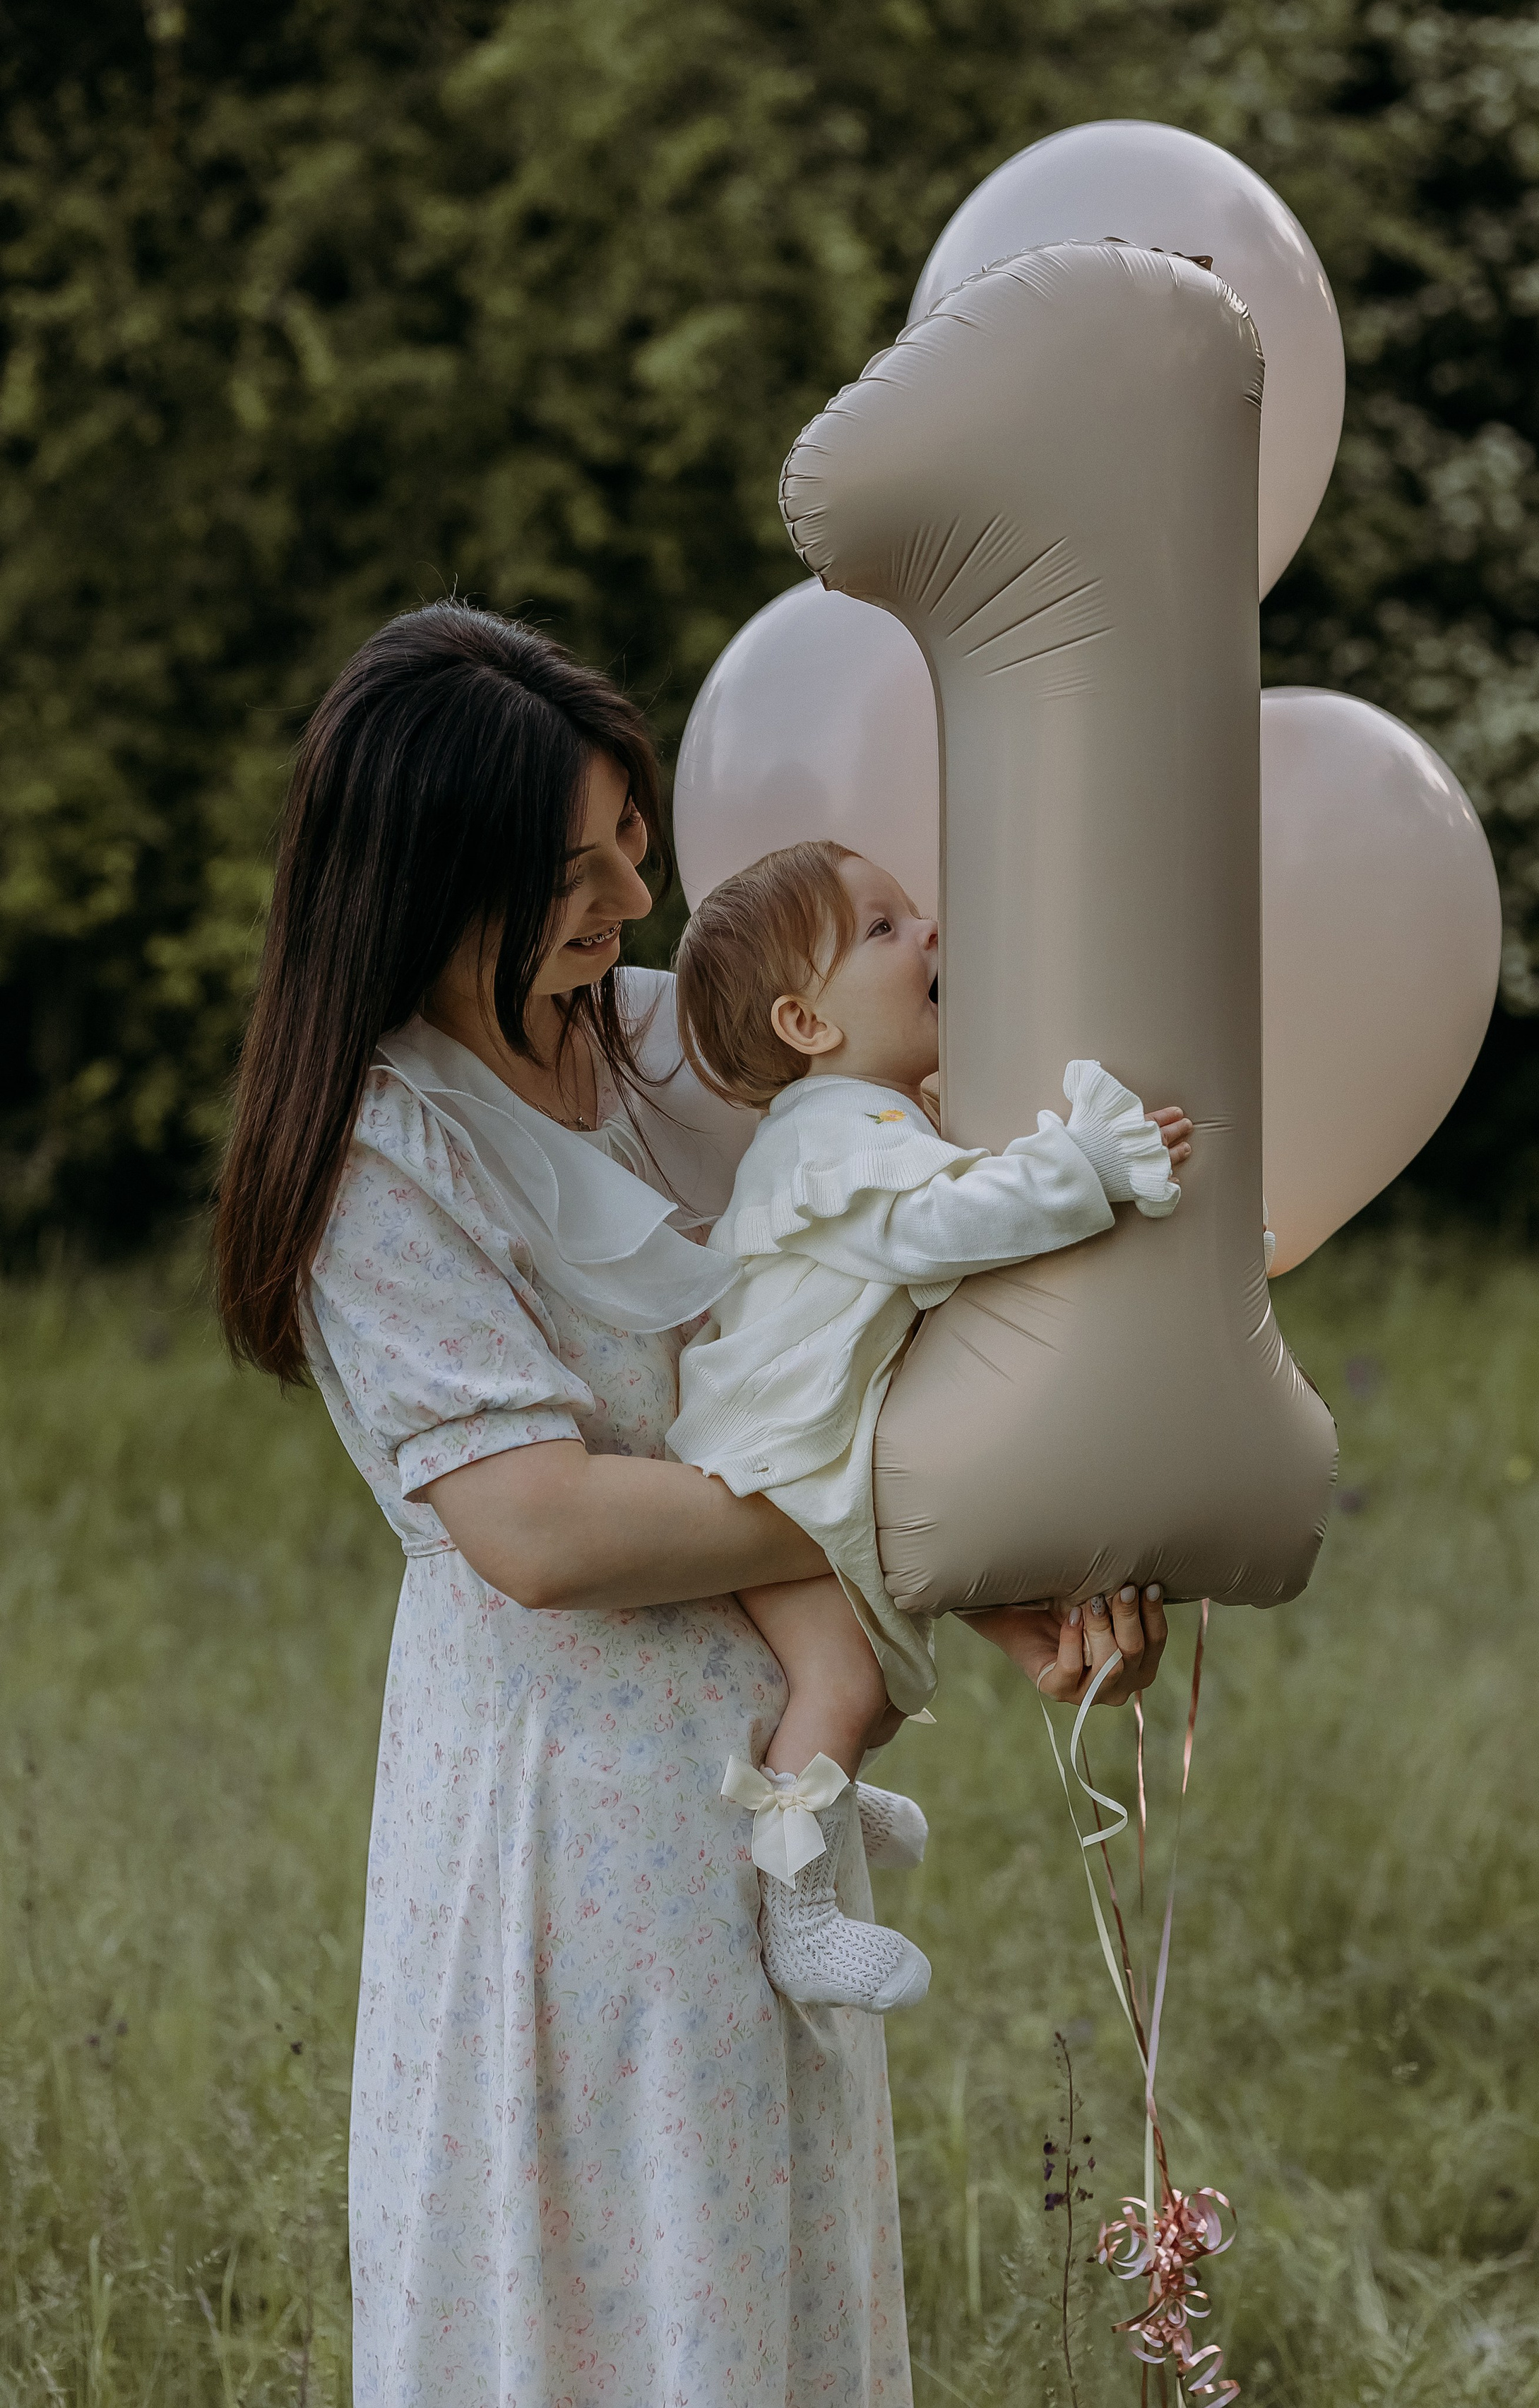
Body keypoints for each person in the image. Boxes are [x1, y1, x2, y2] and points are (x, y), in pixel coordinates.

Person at [213, 597, 1171, 2408]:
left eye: (631, 842)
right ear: (432, 881)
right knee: (602, 2298)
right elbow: (544, 1530)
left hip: (766, 1785)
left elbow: (842, 1349)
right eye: (572, 873)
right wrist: (934, 1525)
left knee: (761, 2292)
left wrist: (1015, 1580)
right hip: (566, 1826)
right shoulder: (381, 1157)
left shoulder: (684, 1050)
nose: (632, 900)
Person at [666, 840, 1192, 2015]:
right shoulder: (830, 1133)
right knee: (841, 1676)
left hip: (803, 1443)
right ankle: (799, 1910)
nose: (931, 932)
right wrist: (1087, 1166)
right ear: (808, 1022)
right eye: (884, 928)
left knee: (875, 1675)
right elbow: (939, 1230)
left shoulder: (870, 1116)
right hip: (766, 1463)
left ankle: (832, 1788)